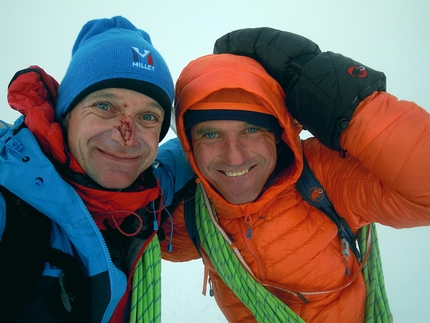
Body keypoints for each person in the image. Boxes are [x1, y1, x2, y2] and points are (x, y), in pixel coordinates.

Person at [159, 28, 430, 323]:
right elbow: (132, 239)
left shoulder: (322, 173)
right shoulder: (197, 210)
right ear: (190, 145)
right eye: (210, 135)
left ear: (278, 134)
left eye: (251, 130)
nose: (234, 156)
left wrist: (334, 90)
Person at [0, 16, 190, 323]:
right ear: (66, 114)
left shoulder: (147, 190)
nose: (126, 135)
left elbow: (191, 152)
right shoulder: (9, 195)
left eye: (148, 117)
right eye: (105, 106)